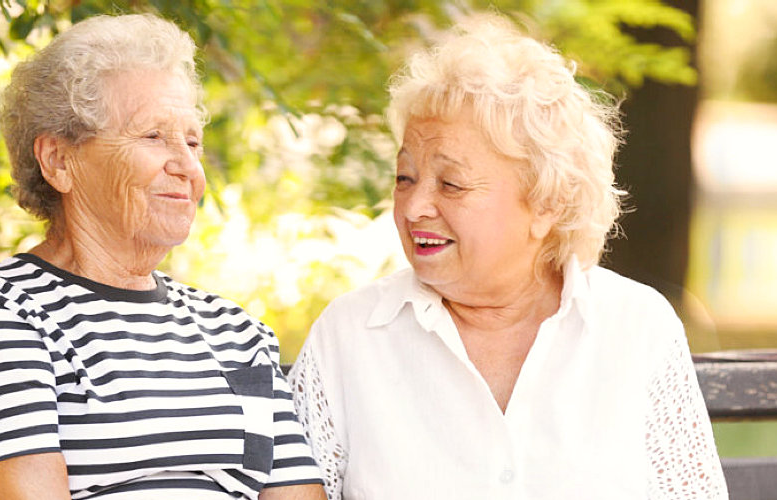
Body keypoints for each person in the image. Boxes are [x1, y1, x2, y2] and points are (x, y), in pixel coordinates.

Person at [287, 15, 727, 499]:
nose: (413, 207)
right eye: (404, 178)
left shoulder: (638, 327)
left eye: (451, 184)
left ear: (546, 204)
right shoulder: (349, 336)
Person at [0, 14, 326, 500]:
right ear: (59, 161)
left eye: (192, 141)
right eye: (153, 137)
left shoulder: (233, 333)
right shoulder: (0, 321)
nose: (188, 167)